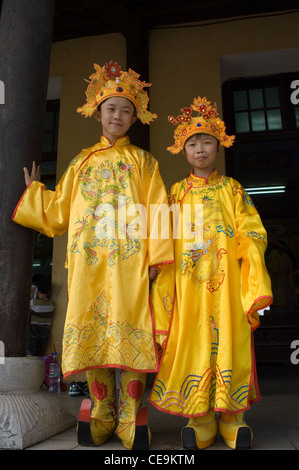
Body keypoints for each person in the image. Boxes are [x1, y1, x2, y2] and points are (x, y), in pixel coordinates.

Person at [12, 61, 174, 449]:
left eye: (126, 110)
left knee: (131, 331)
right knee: (96, 335)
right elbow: (59, 213)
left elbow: (159, 212)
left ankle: (131, 413)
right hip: (88, 265)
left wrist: (155, 260)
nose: (118, 116)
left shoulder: (145, 162)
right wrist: (36, 192)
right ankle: (103, 412)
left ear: (135, 117)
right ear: (98, 113)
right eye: (111, 108)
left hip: (131, 264)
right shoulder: (80, 162)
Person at [148, 96, 273, 450]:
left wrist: (252, 272)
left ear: (218, 147)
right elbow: (162, 239)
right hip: (189, 289)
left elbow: (253, 232)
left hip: (228, 286)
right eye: (192, 143)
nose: (199, 148)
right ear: (183, 150)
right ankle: (199, 416)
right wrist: (157, 271)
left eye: (206, 141)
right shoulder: (174, 195)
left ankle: (233, 418)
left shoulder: (233, 190)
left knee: (231, 342)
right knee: (192, 342)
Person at [28, 276, 54, 356]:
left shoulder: (33, 303)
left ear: (37, 289)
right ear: (49, 291)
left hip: (33, 330)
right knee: (39, 355)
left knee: (30, 354)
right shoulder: (51, 304)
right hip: (45, 331)